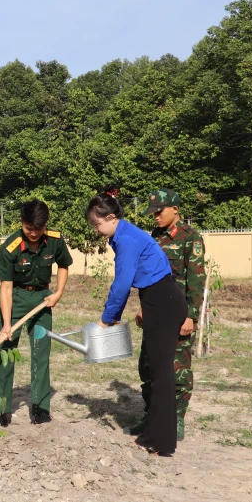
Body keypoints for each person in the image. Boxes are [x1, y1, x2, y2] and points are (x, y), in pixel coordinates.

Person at [86, 184, 187, 456]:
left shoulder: (127, 239)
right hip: (157, 300)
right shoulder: (124, 234)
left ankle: (162, 442)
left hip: (163, 302)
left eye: (97, 225)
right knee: (156, 371)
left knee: (162, 374)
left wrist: (107, 319)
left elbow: (122, 284)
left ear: (110, 218)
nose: (96, 230)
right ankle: (153, 434)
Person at [127, 189, 206, 441]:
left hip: (178, 313)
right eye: (153, 213)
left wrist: (190, 316)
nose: (156, 217)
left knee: (178, 369)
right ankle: (152, 416)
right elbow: (147, 276)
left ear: (175, 209)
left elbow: (196, 281)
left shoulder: (190, 238)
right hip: (154, 311)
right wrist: (142, 307)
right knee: (148, 365)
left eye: (159, 212)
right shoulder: (154, 237)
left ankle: (176, 419)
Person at [0, 200, 72, 426]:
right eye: (29, 229)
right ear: (22, 222)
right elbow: (6, 288)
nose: (34, 233)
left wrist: (58, 293)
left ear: (45, 225)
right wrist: (7, 323)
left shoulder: (55, 241)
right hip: (16, 299)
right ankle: (1, 411)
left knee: (41, 354)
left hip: (42, 300)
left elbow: (64, 265)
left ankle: (40, 409)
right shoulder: (10, 247)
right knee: (5, 353)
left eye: (39, 229)